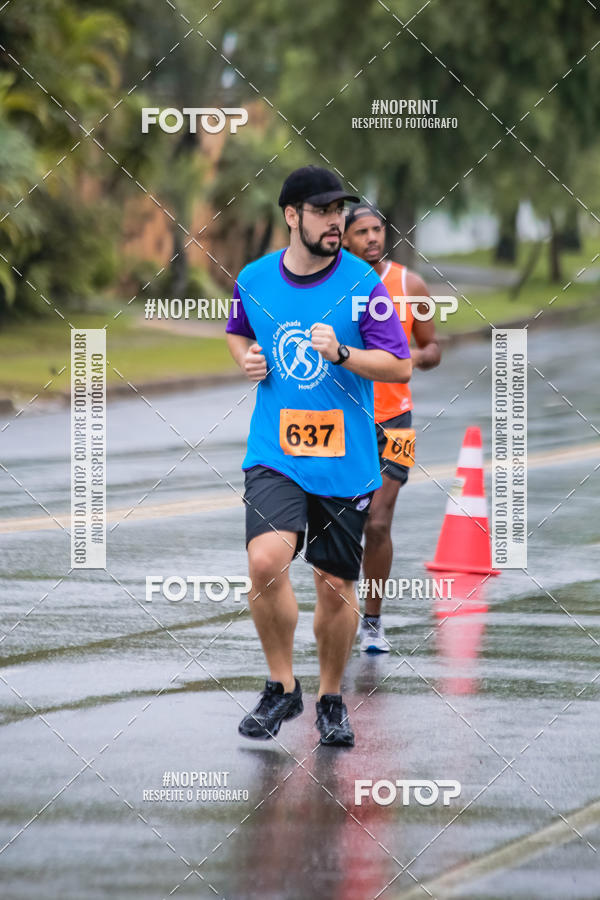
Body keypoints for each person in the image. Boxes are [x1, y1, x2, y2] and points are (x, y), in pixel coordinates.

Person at [225, 167, 411, 746]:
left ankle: (331, 698)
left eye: (340, 212)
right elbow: (237, 329)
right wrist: (245, 357)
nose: (335, 222)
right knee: (264, 563)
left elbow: (399, 364)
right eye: (324, 211)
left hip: (343, 459)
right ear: (292, 216)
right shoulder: (254, 279)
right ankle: (282, 688)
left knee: (333, 585)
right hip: (275, 452)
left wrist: (346, 353)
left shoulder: (361, 282)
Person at [343, 204, 441, 653]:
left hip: (396, 422)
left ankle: (372, 622)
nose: (371, 238)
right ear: (343, 239)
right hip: (343, 420)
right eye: (360, 231)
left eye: (376, 230)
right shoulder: (333, 286)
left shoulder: (409, 284)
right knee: (344, 523)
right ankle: (338, 614)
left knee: (378, 523)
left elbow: (432, 346)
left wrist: (412, 359)